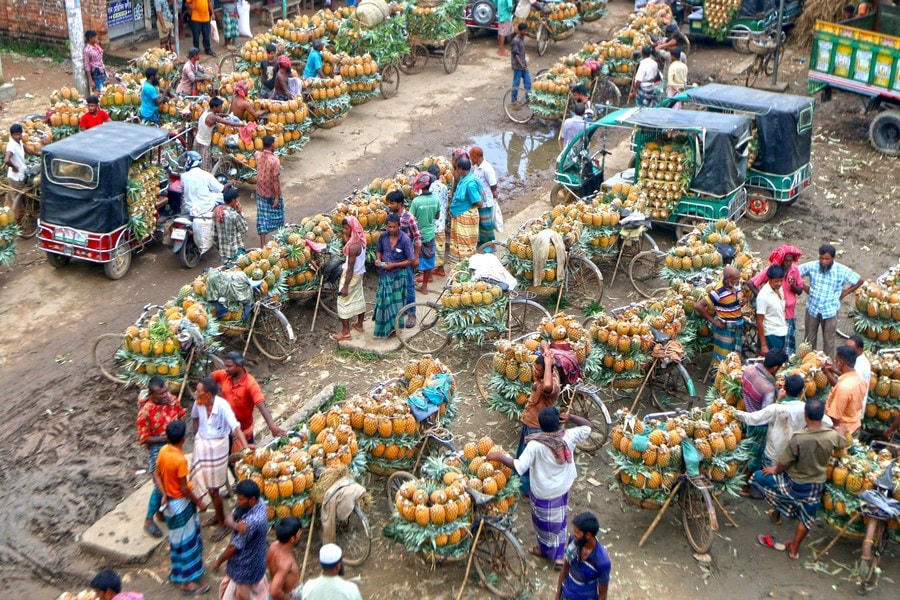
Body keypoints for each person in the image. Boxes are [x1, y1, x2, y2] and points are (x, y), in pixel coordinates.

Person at [489, 407, 592, 566]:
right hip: (563, 488)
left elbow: (519, 466)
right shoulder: (568, 436)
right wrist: (571, 417)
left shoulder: (536, 445)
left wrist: (499, 457)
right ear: (559, 422)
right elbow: (587, 426)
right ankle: (559, 554)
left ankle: (546, 551)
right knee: (559, 522)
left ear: (540, 425)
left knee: (543, 525)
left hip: (543, 493)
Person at [750, 399, 850, 560]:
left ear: (806, 416)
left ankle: (779, 511)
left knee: (758, 477)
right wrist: (842, 432)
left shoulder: (799, 438)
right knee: (807, 518)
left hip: (795, 484)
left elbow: (784, 462)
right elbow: (842, 443)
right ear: (822, 415)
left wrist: (774, 470)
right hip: (816, 487)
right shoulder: (831, 436)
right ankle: (794, 550)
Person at [153, 420, 210, 595]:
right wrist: (199, 502)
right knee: (187, 542)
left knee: (177, 540)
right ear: (183, 439)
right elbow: (184, 488)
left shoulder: (162, 451)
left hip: (169, 503)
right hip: (180, 505)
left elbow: (155, 473)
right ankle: (188, 582)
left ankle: (177, 572)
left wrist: (163, 493)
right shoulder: (180, 460)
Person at [189, 376, 250, 542]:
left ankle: (223, 523)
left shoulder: (222, 406)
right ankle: (218, 516)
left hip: (218, 448)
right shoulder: (199, 402)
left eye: (199, 391)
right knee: (206, 485)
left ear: (208, 394)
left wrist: (245, 448)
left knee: (214, 489)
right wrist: (197, 436)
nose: (196, 394)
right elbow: (195, 418)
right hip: (203, 445)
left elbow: (235, 427)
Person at [736, 375, 834, 467]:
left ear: (784, 389)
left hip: (772, 457)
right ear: (801, 392)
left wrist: (733, 412)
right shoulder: (806, 409)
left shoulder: (775, 408)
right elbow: (829, 422)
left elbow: (751, 418)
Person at [136, 376, 186, 538]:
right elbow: (144, 438)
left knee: (173, 478)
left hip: (173, 444)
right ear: (151, 394)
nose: (165, 396)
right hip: (157, 448)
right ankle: (148, 520)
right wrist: (166, 438)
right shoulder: (145, 412)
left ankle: (159, 512)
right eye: (161, 394)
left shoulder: (172, 400)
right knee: (159, 487)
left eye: (165, 391)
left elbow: (182, 414)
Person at [799, 244, 862, 358]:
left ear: (833, 258)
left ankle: (827, 367)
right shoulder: (812, 266)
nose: (823, 261)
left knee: (829, 341)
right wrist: (805, 288)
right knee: (809, 340)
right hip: (812, 308)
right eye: (821, 258)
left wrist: (844, 293)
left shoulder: (841, 270)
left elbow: (859, 281)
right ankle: (808, 364)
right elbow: (795, 272)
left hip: (830, 310)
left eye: (827, 259)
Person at [517, 341, 564, 493]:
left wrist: (548, 365)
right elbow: (543, 342)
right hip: (529, 422)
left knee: (529, 460)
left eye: (538, 370)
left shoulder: (551, 384)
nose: (534, 372)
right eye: (534, 368)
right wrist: (547, 352)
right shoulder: (548, 370)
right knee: (522, 453)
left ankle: (526, 488)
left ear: (547, 371)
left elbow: (548, 386)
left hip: (536, 428)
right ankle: (521, 479)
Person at [213, 351, 285, 447]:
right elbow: (210, 379)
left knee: (246, 458)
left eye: (229, 366)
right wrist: (215, 393)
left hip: (243, 432)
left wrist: (272, 426)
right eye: (225, 366)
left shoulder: (250, 384)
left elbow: (261, 405)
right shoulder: (224, 375)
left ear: (239, 366)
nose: (226, 369)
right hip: (224, 430)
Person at [213, 480, 270, 600]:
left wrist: (219, 560)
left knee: (242, 594)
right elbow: (229, 517)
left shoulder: (252, 521)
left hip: (246, 565)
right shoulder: (256, 503)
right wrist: (235, 525)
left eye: (240, 499)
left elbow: (233, 547)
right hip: (255, 557)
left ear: (252, 500)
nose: (237, 502)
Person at [740, 349, 788, 481]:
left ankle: (744, 465)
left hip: (748, 412)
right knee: (757, 455)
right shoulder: (768, 389)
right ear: (774, 368)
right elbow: (767, 414)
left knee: (749, 445)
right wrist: (779, 397)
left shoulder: (749, 369)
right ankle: (746, 483)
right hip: (758, 424)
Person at [748, 244, 804, 355]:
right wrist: (764, 299)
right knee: (773, 353)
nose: (788, 264)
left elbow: (800, 290)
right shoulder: (771, 273)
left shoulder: (794, 271)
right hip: (772, 322)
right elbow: (751, 283)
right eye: (786, 261)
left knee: (786, 351)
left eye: (790, 261)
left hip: (787, 315)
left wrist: (793, 286)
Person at [374, 213, 416, 338]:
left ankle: (394, 329)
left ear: (399, 226)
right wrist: (378, 259)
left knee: (396, 303)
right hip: (385, 274)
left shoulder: (405, 240)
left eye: (394, 227)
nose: (391, 229)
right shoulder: (383, 236)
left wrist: (394, 265)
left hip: (398, 275)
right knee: (384, 301)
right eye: (389, 227)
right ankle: (383, 329)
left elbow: (411, 260)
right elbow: (379, 250)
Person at [696, 265, 744, 365]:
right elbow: (699, 306)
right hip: (724, 329)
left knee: (735, 357)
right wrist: (714, 321)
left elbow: (738, 300)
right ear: (727, 280)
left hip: (737, 326)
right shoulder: (718, 291)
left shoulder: (737, 285)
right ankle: (718, 377)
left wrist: (742, 302)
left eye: (738, 278)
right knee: (723, 358)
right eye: (736, 279)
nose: (738, 281)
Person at [556, 512, 611, 600]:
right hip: (567, 594)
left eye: (577, 532)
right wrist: (558, 595)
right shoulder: (574, 542)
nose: (574, 534)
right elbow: (565, 568)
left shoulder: (602, 561)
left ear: (588, 535)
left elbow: (602, 595)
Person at [387, 189, 421, 327]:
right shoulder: (390, 216)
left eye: (392, 203)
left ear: (400, 204)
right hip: (392, 258)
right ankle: (399, 310)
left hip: (406, 258)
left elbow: (418, 238)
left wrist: (416, 257)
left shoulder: (409, 218)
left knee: (409, 286)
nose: (389, 205)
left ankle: (411, 313)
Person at [331, 216, 367, 341]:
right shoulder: (361, 240)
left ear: (353, 229)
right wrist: (347, 236)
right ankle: (359, 324)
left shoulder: (353, 247)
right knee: (358, 296)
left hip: (351, 276)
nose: (344, 231)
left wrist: (345, 286)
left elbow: (350, 268)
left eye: (347, 228)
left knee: (342, 301)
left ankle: (345, 332)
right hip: (360, 274)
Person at [447, 156, 484, 264]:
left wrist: (466, 205)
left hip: (466, 217)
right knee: (459, 241)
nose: (457, 171)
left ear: (462, 169)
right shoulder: (465, 178)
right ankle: (458, 264)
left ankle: (465, 265)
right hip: (460, 215)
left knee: (465, 242)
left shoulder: (470, 184)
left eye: (457, 169)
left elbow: (479, 203)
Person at [824, 345, 867, 435]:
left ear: (841, 363)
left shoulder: (843, 388)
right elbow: (846, 377)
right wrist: (834, 370)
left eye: (836, 361)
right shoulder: (861, 380)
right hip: (854, 426)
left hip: (843, 432)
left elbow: (834, 418)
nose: (835, 362)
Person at [409, 173, 440, 294]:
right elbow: (437, 216)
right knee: (429, 259)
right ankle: (425, 287)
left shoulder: (416, 201)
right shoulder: (435, 199)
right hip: (430, 234)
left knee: (413, 259)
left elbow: (411, 218)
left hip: (417, 236)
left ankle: (411, 284)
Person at [255, 135, 283, 245]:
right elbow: (275, 180)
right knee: (279, 216)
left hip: (260, 190)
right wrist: (276, 197)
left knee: (262, 218)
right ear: (272, 145)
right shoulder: (275, 160)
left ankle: (263, 245)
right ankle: (281, 240)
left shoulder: (257, 155)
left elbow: (258, 152)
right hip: (272, 192)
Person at [195, 97, 237, 170]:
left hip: (197, 140)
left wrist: (226, 115)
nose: (221, 108)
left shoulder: (206, 111)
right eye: (220, 107)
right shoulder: (213, 117)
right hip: (204, 144)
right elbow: (228, 123)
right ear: (215, 107)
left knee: (197, 164)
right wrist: (242, 124)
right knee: (205, 168)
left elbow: (219, 114)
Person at [267, 518, 303, 600]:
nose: (300, 534)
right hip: (286, 595)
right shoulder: (286, 562)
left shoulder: (273, 546)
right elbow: (274, 591)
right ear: (292, 539)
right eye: (299, 533)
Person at [756, 264, 788, 355]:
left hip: (781, 332)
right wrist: (764, 345)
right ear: (769, 279)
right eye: (776, 281)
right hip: (770, 335)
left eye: (781, 281)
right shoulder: (763, 296)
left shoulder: (779, 289)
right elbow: (759, 321)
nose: (779, 283)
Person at [180, 150, 224, 217]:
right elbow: (220, 189)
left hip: (189, 209)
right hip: (206, 208)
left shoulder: (183, 176)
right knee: (220, 196)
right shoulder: (206, 175)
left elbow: (182, 190)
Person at [213, 184, 248, 265]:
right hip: (236, 253)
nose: (237, 201)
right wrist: (240, 213)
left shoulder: (217, 213)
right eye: (236, 199)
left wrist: (221, 248)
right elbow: (244, 229)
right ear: (233, 200)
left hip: (224, 254)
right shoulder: (234, 215)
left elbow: (214, 236)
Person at [4, 124, 30, 222]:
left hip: (19, 175)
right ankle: (17, 220)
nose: (18, 136)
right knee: (17, 199)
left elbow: (27, 150)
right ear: (11, 135)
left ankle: (7, 214)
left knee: (12, 196)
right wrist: (14, 167)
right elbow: (6, 160)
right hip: (16, 178)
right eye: (16, 135)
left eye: (19, 134)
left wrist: (38, 153)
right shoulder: (11, 146)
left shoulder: (19, 142)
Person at [427, 164, 449, 277]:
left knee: (430, 248)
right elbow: (445, 202)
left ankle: (429, 273)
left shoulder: (429, 188)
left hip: (432, 223)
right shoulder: (444, 186)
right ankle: (440, 269)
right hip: (441, 221)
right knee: (440, 246)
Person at [841, 335, 871, 415]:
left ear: (860, 350)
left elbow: (846, 385)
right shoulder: (855, 359)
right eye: (845, 347)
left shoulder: (860, 366)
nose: (846, 351)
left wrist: (829, 374)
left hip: (854, 409)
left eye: (850, 349)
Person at [510, 23, 531, 103]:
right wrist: (521, 65)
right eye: (525, 30)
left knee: (528, 82)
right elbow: (516, 55)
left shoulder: (522, 38)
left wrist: (524, 64)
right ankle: (514, 99)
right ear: (521, 31)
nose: (526, 32)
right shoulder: (515, 40)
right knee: (516, 83)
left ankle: (528, 98)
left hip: (523, 65)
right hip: (518, 66)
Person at [83, 30, 108, 94]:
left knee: (106, 89)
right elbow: (87, 65)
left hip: (101, 70)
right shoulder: (87, 50)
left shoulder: (96, 46)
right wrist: (91, 80)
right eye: (95, 37)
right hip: (95, 72)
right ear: (90, 39)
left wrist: (106, 71)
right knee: (99, 91)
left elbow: (100, 60)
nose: (97, 39)